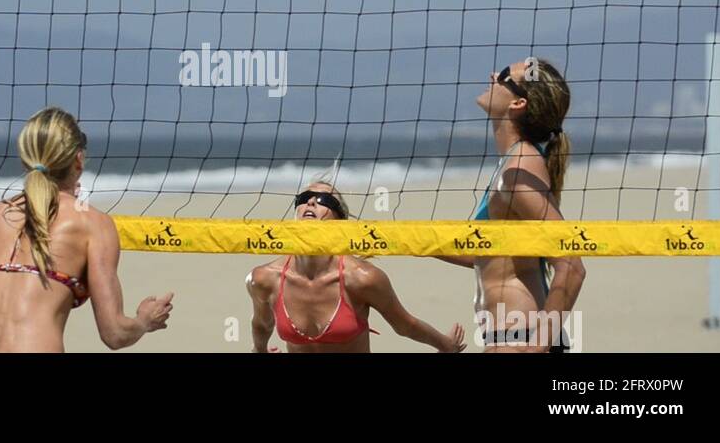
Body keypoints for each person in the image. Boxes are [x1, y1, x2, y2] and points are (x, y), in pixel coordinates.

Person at [0, 106, 173, 352]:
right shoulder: (92, 224)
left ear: (25, 158)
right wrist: (145, 320)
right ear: (78, 160)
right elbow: (114, 334)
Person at [438, 58, 585, 352]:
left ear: (518, 103)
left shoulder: (518, 171)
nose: (493, 74)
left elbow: (571, 264)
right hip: (510, 335)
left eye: (504, 75)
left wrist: (538, 347)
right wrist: (409, 244)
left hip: (519, 338)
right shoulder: (514, 164)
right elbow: (491, 254)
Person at [247, 180, 465, 353]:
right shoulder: (264, 278)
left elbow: (404, 325)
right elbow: (262, 324)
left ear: (340, 222)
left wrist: (445, 345)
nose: (311, 202)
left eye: (324, 199)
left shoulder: (362, 278)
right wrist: (260, 350)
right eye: (304, 198)